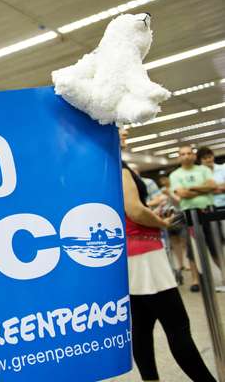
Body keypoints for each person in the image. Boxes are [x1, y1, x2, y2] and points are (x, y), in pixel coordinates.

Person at [119, 129, 216, 382]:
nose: (124, 131)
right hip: (145, 255)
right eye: (118, 125)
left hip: (129, 254)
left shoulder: (100, 164)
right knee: (177, 326)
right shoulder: (119, 167)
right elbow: (134, 210)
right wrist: (162, 223)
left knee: (142, 326)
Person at [169, 145, 217, 292]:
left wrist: (190, 188)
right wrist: (202, 188)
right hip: (188, 215)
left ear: (194, 156)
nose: (186, 156)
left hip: (208, 211)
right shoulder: (175, 175)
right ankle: (196, 280)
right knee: (192, 250)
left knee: (215, 246)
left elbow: (212, 186)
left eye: (189, 153)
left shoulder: (204, 170)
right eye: (183, 154)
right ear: (179, 157)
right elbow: (182, 194)